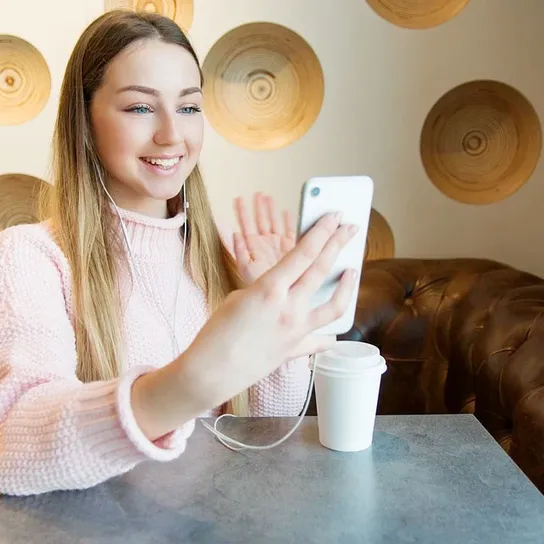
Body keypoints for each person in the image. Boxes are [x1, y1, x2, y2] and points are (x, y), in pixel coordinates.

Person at [0, 10, 358, 496]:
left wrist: (277, 327)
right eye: (140, 108)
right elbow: (12, 443)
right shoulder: (30, 255)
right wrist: (193, 379)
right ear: (84, 120)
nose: (172, 135)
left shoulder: (223, 255)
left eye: (188, 108)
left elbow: (268, 428)